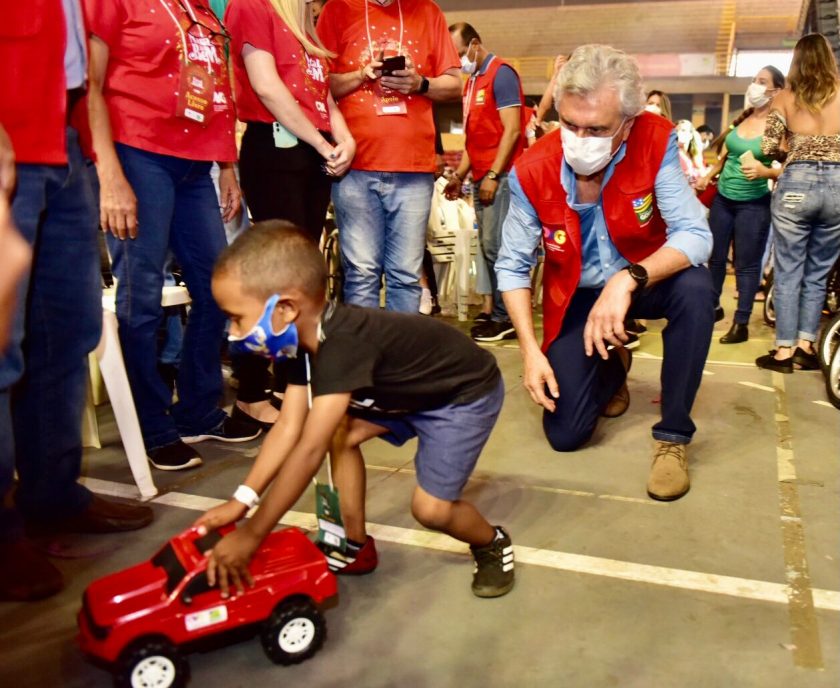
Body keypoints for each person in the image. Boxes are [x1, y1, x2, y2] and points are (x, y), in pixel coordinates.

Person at [196, 221, 515, 599]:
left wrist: (253, 533)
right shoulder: (301, 340)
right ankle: (354, 546)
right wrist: (241, 501)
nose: (233, 332)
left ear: (284, 308)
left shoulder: (341, 346)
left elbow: (307, 451)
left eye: (237, 317)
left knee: (431, 510)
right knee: (338, 432)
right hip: (406, 391)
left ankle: (492, 543)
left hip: (460, 396)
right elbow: (288, 428)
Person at [496, 44, 714, 502]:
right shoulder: (531, 171)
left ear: (628, 122)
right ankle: (614, 367)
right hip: (576, 293)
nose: (579, 138)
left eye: (596, 128)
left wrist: (628, 279)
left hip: (642, 280)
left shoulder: (654, 141)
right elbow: (512, 266)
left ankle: (673, 437)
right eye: (570, 124)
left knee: (696, 288)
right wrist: (530, 352)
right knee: (566, 434)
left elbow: (696, 234)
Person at [0, 2, 153, 602]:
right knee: (1, 350)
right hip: (10, 136)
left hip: (63, 140)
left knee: (70, 332)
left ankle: (52, 494)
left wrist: (93, 154)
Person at [86, 0, 261, 472]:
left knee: (217, 288)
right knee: (141, 298)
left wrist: (226, 166)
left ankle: (199, 409)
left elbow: (219, 90)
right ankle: (150, 423)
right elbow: (92, 87)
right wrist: (109, 174)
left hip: (196, 161)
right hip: (138, 151)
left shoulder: (202, 9)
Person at [224, 0, 356, 429]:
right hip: (276, 150)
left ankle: (289, 383)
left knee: (300, 280)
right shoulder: (252, 8)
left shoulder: (304, 23)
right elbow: (267, 87)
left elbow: (323, 99)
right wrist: (322, 145)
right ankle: (250, 391)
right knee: (274, 279)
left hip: (309, 155)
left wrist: (344, 140)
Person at [316, 0, 461, 313]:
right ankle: (364, 358)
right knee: (361, 274)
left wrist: (420, 83)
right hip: (354, 167)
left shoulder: (428, 11)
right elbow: (318, 83)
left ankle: (401, 360)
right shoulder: (337, 10)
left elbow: (454, 85)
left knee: (406, 276)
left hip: (412, 168)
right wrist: (361, 75)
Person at [756, 33, 840, 373]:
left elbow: (767, 146)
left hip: (796, 184)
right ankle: (807, 344)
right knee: (819, 271)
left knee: (789, 269)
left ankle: (784, 351)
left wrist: (797, 147)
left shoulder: (785, 98)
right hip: (837, 184)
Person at [444, 22, 528, 342]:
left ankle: (505, 316)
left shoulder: (501, 74)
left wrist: (493, 175)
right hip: (481, 177)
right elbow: (473, 142)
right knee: (488, 248)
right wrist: (460, 175)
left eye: (460, 53)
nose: (458, 60)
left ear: (475, 44)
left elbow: (513, 131)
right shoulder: (472, 81)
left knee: (498, 247)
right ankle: (496, 314)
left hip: (502, 177)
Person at [696, 66, 785, 343]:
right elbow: (725, 156)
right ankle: (712, 308)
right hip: (723, 199)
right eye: (754, 80)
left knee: (746, 265)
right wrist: (709, 176)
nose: (755, 86)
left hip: (754, 204)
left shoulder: (777, 125)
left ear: (776, 90)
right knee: (716, 259)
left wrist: (766, 171)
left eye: (762, 82)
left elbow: (790, 165)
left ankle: (741, 323)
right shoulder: (743, 119)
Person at [675, 119, 706, 187]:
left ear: (691, 135)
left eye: (683, 130)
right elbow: (684, 178)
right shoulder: (675, 154)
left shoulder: (689, 153)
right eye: (676, 131)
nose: (678, 133)